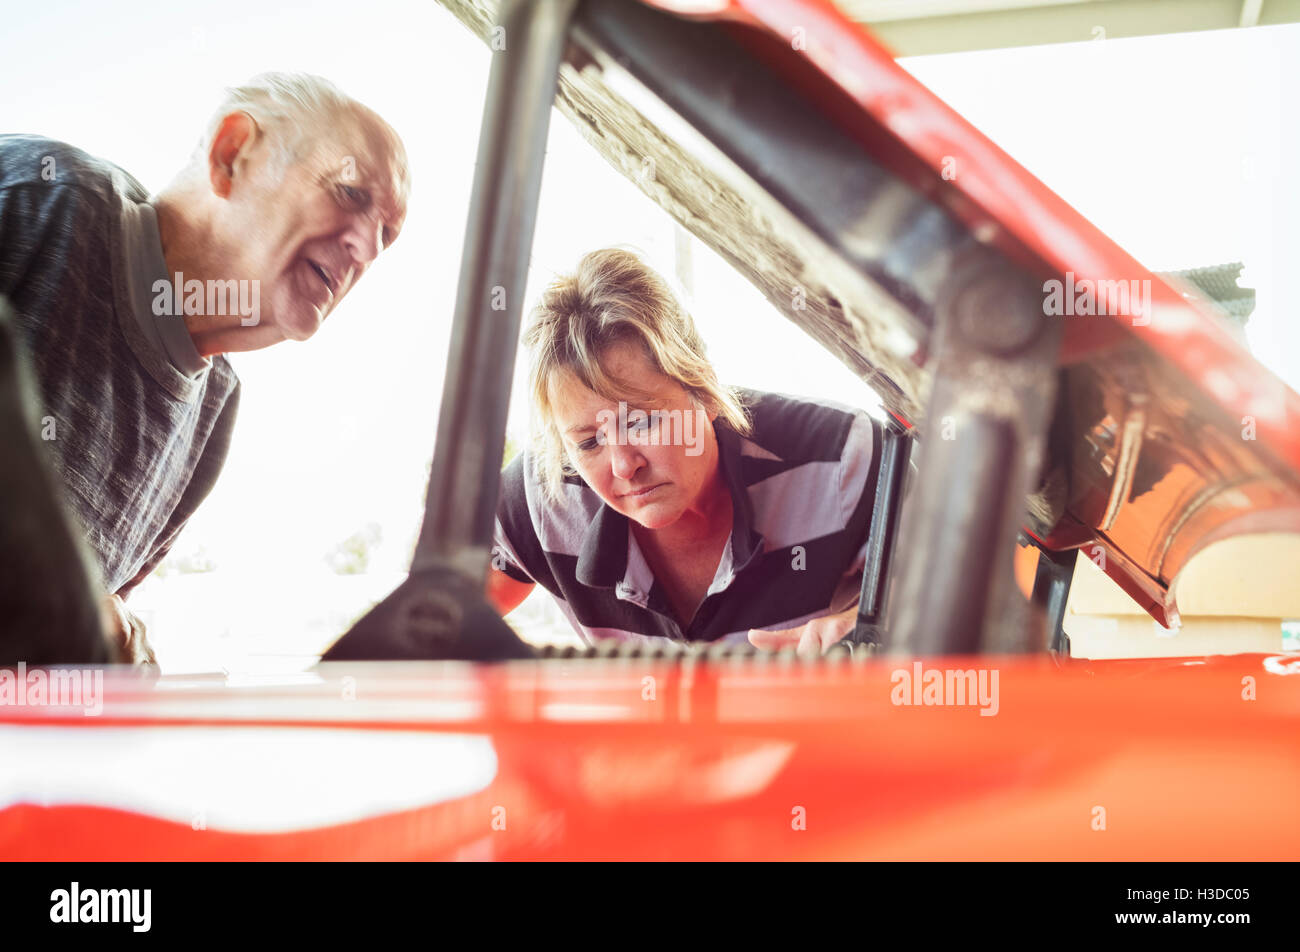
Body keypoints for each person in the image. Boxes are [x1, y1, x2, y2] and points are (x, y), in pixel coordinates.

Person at [0, 72, 409, 664]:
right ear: (232, 153)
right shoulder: (43, 198)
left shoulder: (214, 410)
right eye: (350, 192)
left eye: (388, 235)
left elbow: (89, 638)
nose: (369, 251)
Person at [487, 248, 885, 656]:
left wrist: (863, 628)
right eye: (589, 443)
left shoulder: (842, 457)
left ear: (704, 389)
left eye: (641, 421)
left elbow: (945, 601)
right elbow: (438, 622)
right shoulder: (540, 495)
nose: (625, 466)